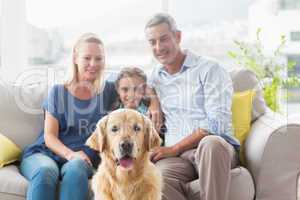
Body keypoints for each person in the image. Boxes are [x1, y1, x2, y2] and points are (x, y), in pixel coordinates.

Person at [144, 13, 241, 200]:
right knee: (154, 180)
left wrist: (175, 148)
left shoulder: (210, 69)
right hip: (178, 160)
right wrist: (153, 98)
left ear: (178, 36)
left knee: (211, 143)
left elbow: (217, 123)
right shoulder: (155, 77)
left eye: (163, 39)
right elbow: (133, 82)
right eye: (152, 42)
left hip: (213, 150)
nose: (158, 47)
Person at [20, 33, 117, 200]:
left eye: (99, 59)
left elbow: (138, 85)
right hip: (45, 153)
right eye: (87, 58)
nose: (93, 64)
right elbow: (49, 137)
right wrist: (71, 154)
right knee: (45, 171)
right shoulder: (58, 92)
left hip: (81, 161)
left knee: (76, 168)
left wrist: (153, 103)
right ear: (75, 57)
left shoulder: (108, 91)